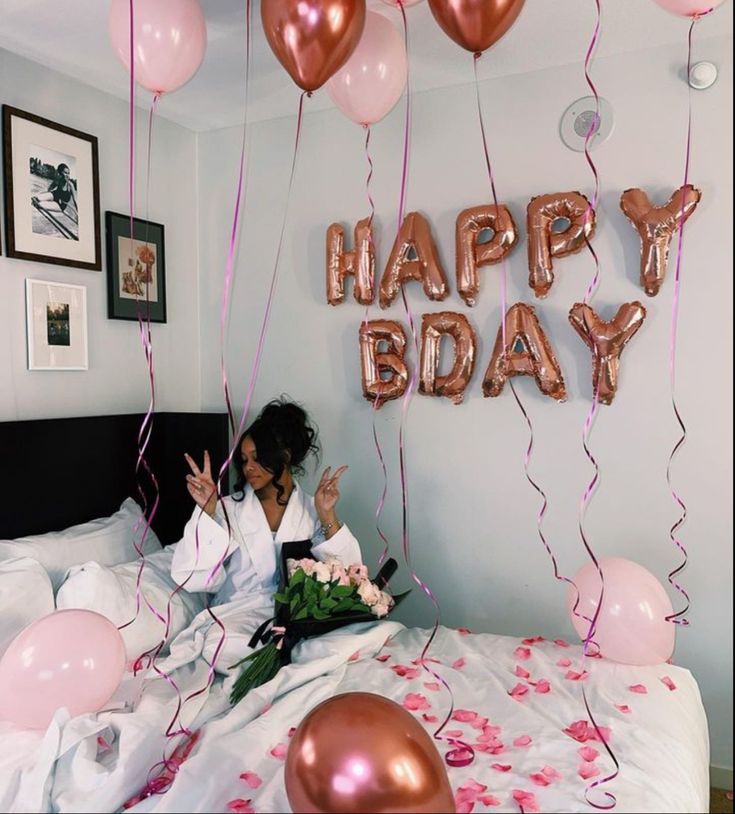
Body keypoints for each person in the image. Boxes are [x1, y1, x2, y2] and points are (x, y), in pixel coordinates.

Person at [167, 398, 362, 675]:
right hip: (240, 618)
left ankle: (294, 659)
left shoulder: (310, 508)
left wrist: (327, 514)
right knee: (220, 647)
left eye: (257, 458)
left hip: (299, 620)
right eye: (244, 460)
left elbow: (346, 576)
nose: (248, 467)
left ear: (284, 455)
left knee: (360, 634)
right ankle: (298, 662)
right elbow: (197, 578)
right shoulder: (226, 508)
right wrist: (208, 514)